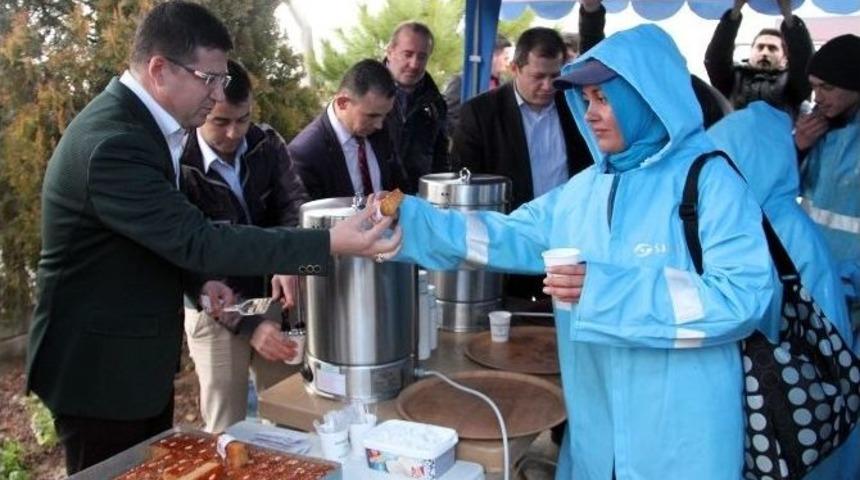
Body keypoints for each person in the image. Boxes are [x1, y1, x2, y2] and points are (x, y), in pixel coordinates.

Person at [377, 24, 774, 479]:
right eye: (586, 100)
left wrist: (604, 290)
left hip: (681, 440)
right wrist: (409, 221)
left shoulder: (711, 182)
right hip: (597, 435)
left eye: (604, 99)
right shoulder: (586, 188)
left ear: (648, 99)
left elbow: (744, 297)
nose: (590, 114)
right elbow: (504, 234)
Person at [24, 2, 400, 474]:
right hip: (100, 374)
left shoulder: (145, 128)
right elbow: (197, 239)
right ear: (160, 70)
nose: (219, 94)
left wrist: (198, 282)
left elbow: (153, 237)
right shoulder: (114, 144)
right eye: (210, 79)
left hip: (132, 365)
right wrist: (326, 244)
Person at [709, 100, 859, 480]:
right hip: (766, 409)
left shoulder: (788, 231)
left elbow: (825, 339)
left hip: (791, 414)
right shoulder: (740, 221)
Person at [180, 59, 308, 433]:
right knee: (227, 428)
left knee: (290, 415)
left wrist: (289, 260)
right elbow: (190, 262)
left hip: (272, 299)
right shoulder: (180, 164)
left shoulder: (266, 143)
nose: (234, 132)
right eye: (221, 121)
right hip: (213, 310)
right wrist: (249, 325)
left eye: (243, 119)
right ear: (202, 108)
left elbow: (294, 206)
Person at [451, 26, 595, 307]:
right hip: (509, 245)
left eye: (555, 76)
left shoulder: (577, 108)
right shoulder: (480, 114)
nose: (548, 86)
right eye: (538, 77)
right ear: (514, 68)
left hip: (569, 243)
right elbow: (466, 187)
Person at [795, 34, 860, 352]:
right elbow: (782, 188)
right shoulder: (817, 129)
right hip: (818, 276)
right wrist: (798, 149)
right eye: (814, 87)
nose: (818, 97)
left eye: (828, 87)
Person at [289, 59, 404, 200]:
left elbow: (400, 188)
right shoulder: (305, 153)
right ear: (342, 103)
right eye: (372, 116)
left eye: (385, 115)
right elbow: (308, 213)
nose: (379, 125)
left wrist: (393, 207)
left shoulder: (381, 129)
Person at [704, 0, 813, 114]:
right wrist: (734, 12)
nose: (765, 52)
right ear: (751, 52)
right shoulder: (732, 78)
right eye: (760, 47)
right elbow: (716, 58)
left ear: (784, 58)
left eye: (772, 48)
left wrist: (788, 15)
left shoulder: (792, 84)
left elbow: (803, 61)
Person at [383, 21, 448, 193]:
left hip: (417, 200)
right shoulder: (365, 93)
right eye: (408, 54)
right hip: (373, 200)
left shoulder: (436, 103)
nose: (414, 64)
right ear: (389, 51)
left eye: (422, 57)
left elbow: (441, 160)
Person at [442, 34, 511, 136]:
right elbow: (447, 116)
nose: (507, 62)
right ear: (492, 56)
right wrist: (470, 134)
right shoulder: (463, 80)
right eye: (505, 58)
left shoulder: (504, 86)